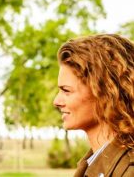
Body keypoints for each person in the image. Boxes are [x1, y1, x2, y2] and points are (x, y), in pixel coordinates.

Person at [53, 34, 134, 177]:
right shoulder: (91, 163)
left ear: (106, 94)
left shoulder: (128, 170)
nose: (56, 101)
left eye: (66, 90)